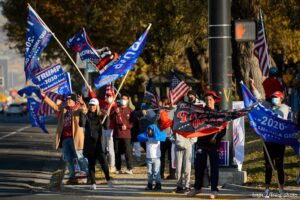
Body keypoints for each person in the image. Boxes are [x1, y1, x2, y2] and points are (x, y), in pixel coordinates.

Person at [251, 79, 290, 198]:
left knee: (279, 165)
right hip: (268, 140)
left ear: (281, 98)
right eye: (273, 97)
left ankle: (281, 189)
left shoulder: (284, 108)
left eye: (276, 97)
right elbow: (259, 99)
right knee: (268, 165)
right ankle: (267, 189)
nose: (274, 99)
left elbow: (280, 116)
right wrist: (253, 86)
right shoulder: (268, 106)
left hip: (279, 140)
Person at [41, 92, 87, 184]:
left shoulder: (78, 108)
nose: (68, 101)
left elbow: (85, 110)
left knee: (80, 157)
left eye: (70, 100)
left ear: (74, 101)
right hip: (65, 138)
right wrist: (45, 97)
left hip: (76, 138)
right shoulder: (64, 109)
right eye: (67, 99)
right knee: (68, 159)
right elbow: (54, 106)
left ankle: (85, 174)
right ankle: (72, 176)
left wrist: (82, 103)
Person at [188, 91, 225, 199]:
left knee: (214, 168)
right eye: (207, 100)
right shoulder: (201, 113)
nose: (208, 102)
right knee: (199, 167)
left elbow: (223, 130)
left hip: (214, 145)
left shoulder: (220, 114)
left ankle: (214, 190)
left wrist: (217, 138)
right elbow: (195, 124)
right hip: (201, 144)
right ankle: (197, 188)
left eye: (210, 100)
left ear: (214, 100)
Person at [82, 98, 113, 190]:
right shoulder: (86, 115)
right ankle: (93, 183)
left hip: (99, 144)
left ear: (97, 106)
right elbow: (81, 124)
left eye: (93, 105)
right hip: (89, 144)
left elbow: (107, 126)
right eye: (90, 105)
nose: (92, 107)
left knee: (104, 163)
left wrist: (107, 117)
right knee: (91, 164)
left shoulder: (100, 116)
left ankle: (108, 180)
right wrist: (82, 114)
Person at [137, 124, 167, 190]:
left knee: (156, 172)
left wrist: (156, 135)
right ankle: (149, 184)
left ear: (154, 131)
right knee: (149, 172)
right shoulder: (146, 138)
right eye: (148, 130)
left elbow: (164, 135)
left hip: (156, 158)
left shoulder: (158, 137)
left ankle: (158, 184)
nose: (149, 131)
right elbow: (139, 136)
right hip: (148, 158)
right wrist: (146, 136)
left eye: (151, 130)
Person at [111, 93, 134, 174]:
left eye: (125, 99)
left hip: (126, 134)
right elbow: (111, 118)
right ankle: (118, 168)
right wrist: (115, 113)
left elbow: (133, 123)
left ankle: (129, 168)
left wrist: (127, 126)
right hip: (117, 134)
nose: (123, 100)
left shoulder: (130, 110)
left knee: (128, 151)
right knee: (117, 151)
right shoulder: (116, 109)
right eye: (122, 98)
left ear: (128, 101)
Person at [159, 98, 176, 180]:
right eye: (165, 102)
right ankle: (160, 173)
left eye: (168, 102)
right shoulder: (161, 111)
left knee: (172, 157)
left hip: (172, 138)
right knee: (161, 157)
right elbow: (155, 121)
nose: (167, 104)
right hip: (162, 137)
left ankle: (172, 174)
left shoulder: (175, 111)